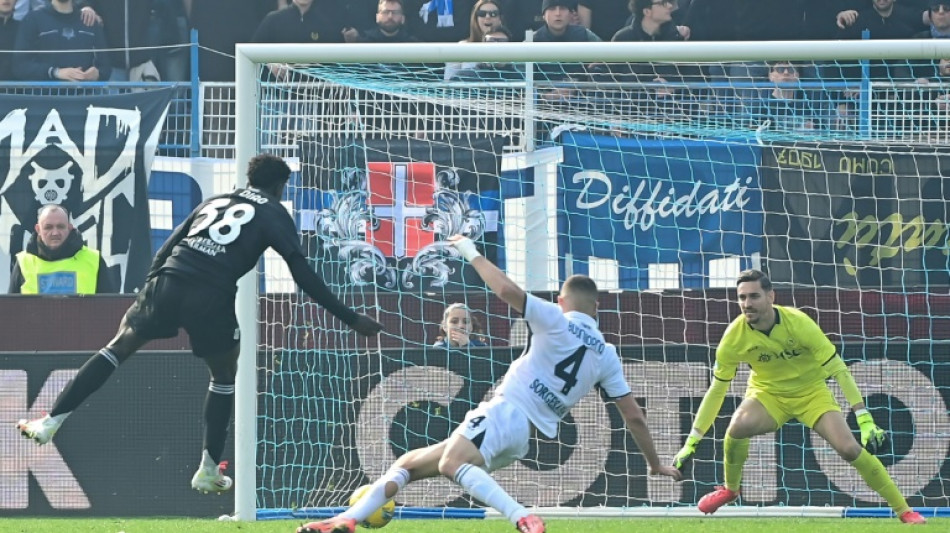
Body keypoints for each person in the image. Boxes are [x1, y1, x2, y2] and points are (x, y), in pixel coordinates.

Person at [16, 154, 384, 494]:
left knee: (117, 347)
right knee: (223, 373)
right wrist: (351, 317)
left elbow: (169, 244)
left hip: (168, 280)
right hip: (210, 294)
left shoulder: (215, 201)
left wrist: (151, 288)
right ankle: (208, 467)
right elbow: (301, 272)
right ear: (279, 186)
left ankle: (50, 420)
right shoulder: (273, 212)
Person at [297, 235, 682, 533]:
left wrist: (469, 251)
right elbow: (634, 416)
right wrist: (655, 464)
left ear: (562, 300)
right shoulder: (607, 354)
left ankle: (521, 517)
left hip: (505, 410)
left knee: (451, 463)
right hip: (524, 435)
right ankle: (344, 521)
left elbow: (507, 292)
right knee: (408, 464)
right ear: (596, 307)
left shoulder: (555, 318)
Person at [671, 269, 927, 525]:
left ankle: (904, 511)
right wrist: (691, 442)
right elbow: (717, 390)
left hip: (812, 393)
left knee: (849, 449)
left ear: (771, 296)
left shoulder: (799, 323)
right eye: (742, 297)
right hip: (768, 394)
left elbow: (838, 369)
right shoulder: (733, 338)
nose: (747, 304)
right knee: (737, 427)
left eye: (754, 296)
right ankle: (730, 489)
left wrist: (864, 418)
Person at [8, 204, 115, 294]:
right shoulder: (23, 262)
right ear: (38, 229)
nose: (55, 233)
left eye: (60, 226)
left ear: (69, 228)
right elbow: (11, 309)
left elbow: (110, 308)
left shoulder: (94, 260)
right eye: (48, 227)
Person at [12, 0, 111, 81]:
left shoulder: (90, 21)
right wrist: (56, 72)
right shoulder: (33, 19)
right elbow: (20, 66)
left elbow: (105, 67)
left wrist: (97, 74)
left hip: (85, 96)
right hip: (45, 96)